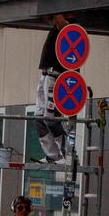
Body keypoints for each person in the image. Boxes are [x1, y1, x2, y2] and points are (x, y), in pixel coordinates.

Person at [31, 14, 71, 163]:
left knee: (50, 118)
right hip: (46, 74)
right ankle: (53, 155)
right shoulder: (57, 28)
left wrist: (58, 16)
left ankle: (68, 154)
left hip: (55, 75)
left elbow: (63, 25)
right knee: (38, 117)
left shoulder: (66, 27)